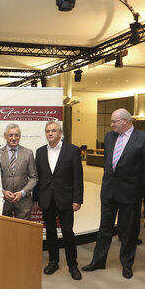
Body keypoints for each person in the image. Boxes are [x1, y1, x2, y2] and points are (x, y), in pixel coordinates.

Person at [83, 108, 145, 279]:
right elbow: (109, 162)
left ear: (125, 121)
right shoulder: (110, 136)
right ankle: (98, 261)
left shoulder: (143, 138)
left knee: (128, 231)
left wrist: (142, 194)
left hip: (130, 193)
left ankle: (127, 264)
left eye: (114, 121)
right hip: (109, 191)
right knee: (104, 228)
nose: (111, 125)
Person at [33, 120, 84, 280]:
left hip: (66, 199)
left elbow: (78, 177)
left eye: (53, 130)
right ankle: (53, 261)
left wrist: (77, 199)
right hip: (46, 198)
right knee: (50, 231)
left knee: (68, 232)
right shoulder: (40, 151)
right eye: (48, 131)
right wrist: (36, 198)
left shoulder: (72, 150)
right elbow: (38, 177)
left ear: (60, 133)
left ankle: (73, 265)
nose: (50, 133)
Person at [0, 123, 38, 220]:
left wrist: (22, 192)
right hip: (3, 201)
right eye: (10, 135)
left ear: (20, 136)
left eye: (16, 135)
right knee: (4, 228)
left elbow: (34, 177)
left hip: (23, 202)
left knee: (23, 229)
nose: (14, 138)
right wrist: (2, 192)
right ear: (5, 136)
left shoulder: (28, 153)